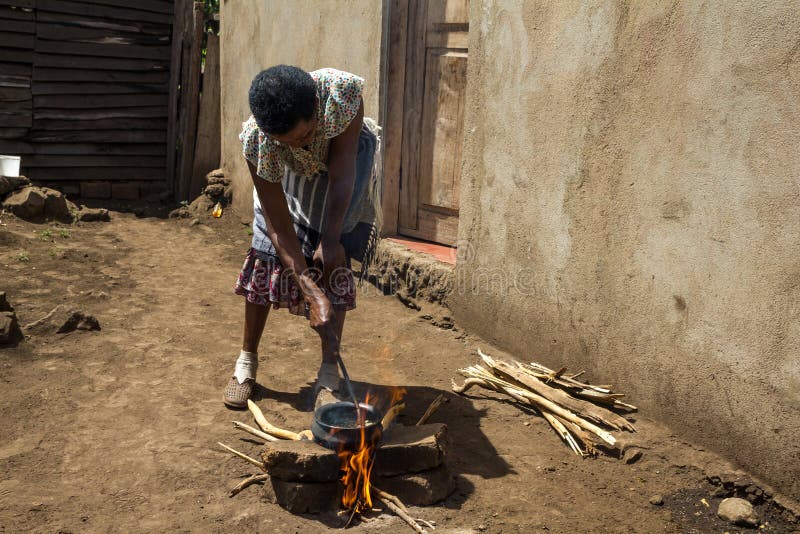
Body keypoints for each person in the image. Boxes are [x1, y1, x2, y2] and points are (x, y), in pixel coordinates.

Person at [223, 65, 381, 408]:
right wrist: (310, 293)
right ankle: (246, 361)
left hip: (342, 167)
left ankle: (329, 373)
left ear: (317, 110)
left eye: (305, 135)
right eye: (289, 142)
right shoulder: (259, 140)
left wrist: (331, 239)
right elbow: (279, 227)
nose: (300, 144)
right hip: (288, 174)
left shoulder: (341, 96)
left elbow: (342, 173)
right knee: (264, 253)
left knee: (333, 263)